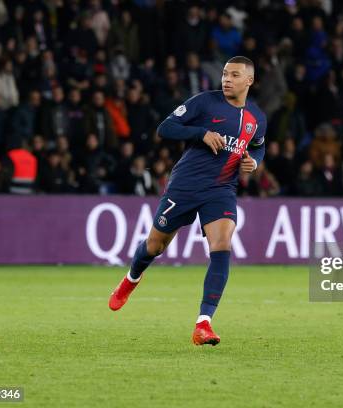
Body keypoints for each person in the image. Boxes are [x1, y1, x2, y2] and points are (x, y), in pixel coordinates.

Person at [108, 56, 266, 346]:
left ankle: (203, 323)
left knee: (222, 245)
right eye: (224, 74)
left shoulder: (257, 118)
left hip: (221, 190)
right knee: (155, 245)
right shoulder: (204, 102)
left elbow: (258, 147)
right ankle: (131, 278)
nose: (227, 79)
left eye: (234, 75)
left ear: (249, 81)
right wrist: (201, 133)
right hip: (185, 186)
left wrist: (253, 164)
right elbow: (165, 128)